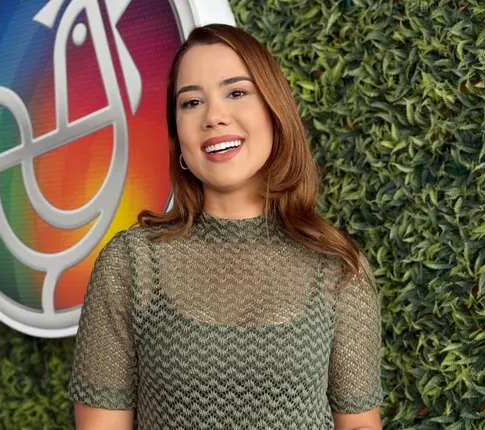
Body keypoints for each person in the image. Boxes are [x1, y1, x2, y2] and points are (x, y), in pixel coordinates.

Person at [67, 24, 384, 430]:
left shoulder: (337, 266)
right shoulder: (132, 263)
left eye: (236, 92)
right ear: (178, 136)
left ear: (274, 112)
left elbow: (359, 424)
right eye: (191, 102)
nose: (214, 117)